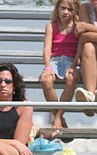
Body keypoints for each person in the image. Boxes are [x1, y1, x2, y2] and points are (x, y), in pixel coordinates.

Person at [40, 0, 80, 130]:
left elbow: (79, 51)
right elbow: (47, 49)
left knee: (71, 79)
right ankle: (59, 117)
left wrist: (73, 65)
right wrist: (48, 67)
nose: (66, 12)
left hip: (71, 61)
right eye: (63, 8)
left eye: (70, 9)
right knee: (46, 80)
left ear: (75, 12)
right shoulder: (51, 26)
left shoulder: (77, 27)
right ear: (57, 8)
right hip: (55, 60)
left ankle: (57, 117)